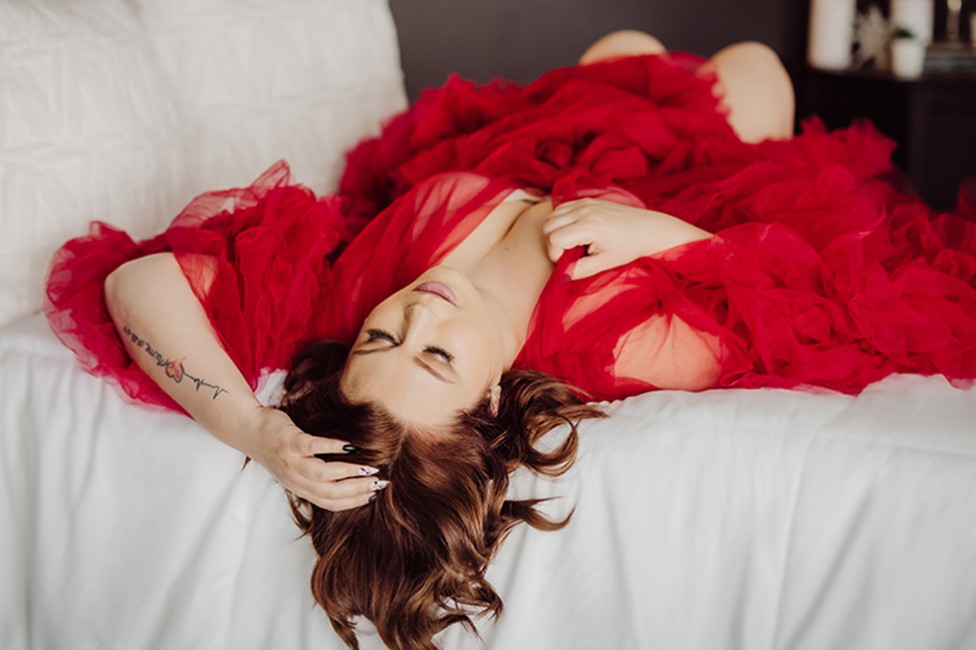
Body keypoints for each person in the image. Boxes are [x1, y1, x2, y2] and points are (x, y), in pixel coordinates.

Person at [44, 31, 976, 650]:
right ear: (490, 399)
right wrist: (668, 238)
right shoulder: (620, 339)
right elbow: (825, 302)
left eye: (385, 337)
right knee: (755, 68)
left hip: (530, 143)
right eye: (436, 356)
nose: (421, 311)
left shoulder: (353, 290)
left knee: (626, 50)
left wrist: (256, 428)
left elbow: (136, 284)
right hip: (678, 183)